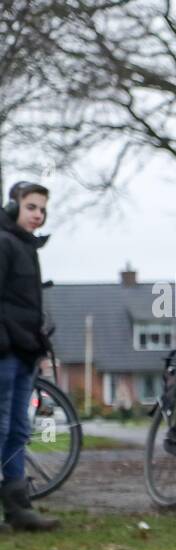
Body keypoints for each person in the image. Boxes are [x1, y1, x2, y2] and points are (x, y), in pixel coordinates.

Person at [0, 180, 60, 532]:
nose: (38, 214)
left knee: (19, 429)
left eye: (42, 209)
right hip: (5, 353)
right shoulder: (4, 244)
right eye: (31, 207)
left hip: (24, 352)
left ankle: (19, 507)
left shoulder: (28, 247)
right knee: (2, 426)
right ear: (13, 207)